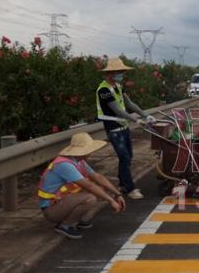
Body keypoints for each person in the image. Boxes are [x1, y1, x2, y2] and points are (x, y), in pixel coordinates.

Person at [38, 132, 126, 239]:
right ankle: (65, 225)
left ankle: (74, 219)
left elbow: (98, 177)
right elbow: (89, 186)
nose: (91, 152)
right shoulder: (65, 164)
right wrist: (111, 201)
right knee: (90, 197)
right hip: (51, 210)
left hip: (60, 202)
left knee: (98, 189)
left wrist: (117, 194)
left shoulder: (78, 160)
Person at [96, 57, 155, 199]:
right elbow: (117, 110)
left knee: (128, 157)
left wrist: (145, 115)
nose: (121, 74)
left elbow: (129, 103)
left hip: (123, 126)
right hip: (113, 128)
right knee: (124, 157)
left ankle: (123, 185)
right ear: (111, 72)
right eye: (119, 72)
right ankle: (130, 189)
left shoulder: (118, 86)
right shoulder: (104, 90)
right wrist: (135, 119)